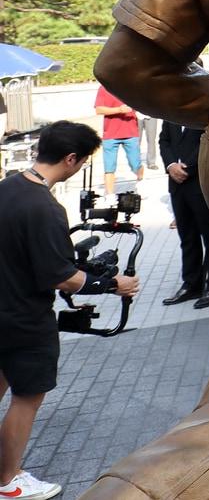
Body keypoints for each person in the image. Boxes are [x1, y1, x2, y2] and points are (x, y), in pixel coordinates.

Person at [0, 122, 141, 500]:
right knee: (27, 398)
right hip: (25, 320)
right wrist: (114, 284)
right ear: (71, 159)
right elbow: (64, 278)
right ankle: (8, 481)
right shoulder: (45, 207)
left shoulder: (7, 188)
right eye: (82, 162)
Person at [159, 120, 209, 310]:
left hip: (200, 183)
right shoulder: (170, 114)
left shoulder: (202, 114)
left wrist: (187, 167)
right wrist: (171, 165)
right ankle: (192, 285)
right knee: (187, 238)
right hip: (176, 185)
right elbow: (164, 141)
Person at [94, 84, 142, 198]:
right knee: (109, 167)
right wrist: (119, 110)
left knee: (135, 163)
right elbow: (99, 109)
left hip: (130, 132)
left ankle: (141, 180)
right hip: (110, 134)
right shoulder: (104, 88)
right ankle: (110, 195)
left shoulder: (132, 87)